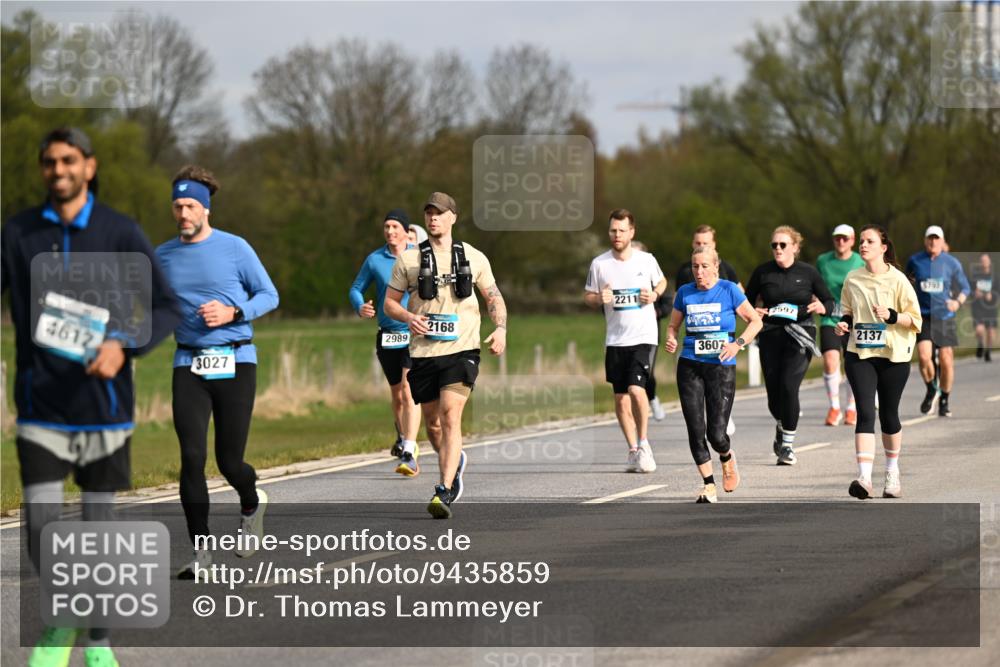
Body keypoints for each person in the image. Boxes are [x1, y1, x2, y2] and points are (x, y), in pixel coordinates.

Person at [1, 127, 181, 667]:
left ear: (89, 166)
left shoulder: (120, 232)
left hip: (104, 410)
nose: (58, 170)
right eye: (49, 162)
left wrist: (124, 345)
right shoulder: (18, 233)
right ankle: (63, 619)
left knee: (98, 533)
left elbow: (165, 308)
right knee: (40, 527)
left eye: (68, 160)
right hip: (40, 409)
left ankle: (97, 642)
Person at [155, 165, 279, 577]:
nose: (182, 213)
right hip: (188, 361)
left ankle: (250, 501)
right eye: (177, 205)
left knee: (229, 462)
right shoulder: (163, 255)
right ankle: (202, 553)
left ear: (205, 209)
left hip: (235, 359)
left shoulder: (235, 248)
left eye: (190, 205)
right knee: (191, 457)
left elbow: (269, 295)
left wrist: (233, 311)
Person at [384, 192, 507, 519]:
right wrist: (409, 318)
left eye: (439, 213)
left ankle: (444, 487)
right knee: (433, 425)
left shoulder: (474, 257)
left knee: (451, 414)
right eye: (428, 213)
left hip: (462, 350)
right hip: (424, 352)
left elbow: (493, 296)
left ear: (453, 217)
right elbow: (389, 303)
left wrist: (501, 328)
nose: (433, 218)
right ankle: (455, 462)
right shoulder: (408, 260)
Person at [665, 247, 762, 503]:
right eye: (695, 267)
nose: (699, 272)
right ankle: (708, 484)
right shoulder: (685, 293)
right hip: (690, 365)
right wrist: (671, 339)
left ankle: (727, 457)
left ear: (716, 267)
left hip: (721, 365)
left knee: (716, 434)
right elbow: (673, 325)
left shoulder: (729, 289)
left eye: (705, 266)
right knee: (695, 429)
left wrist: (737, 344)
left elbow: (755, 321)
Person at [835, 225, 922, 499]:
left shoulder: (898, 280)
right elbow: (848, 311)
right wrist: (843, 324)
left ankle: (892, 473)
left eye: (869, 241)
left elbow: (915, 320)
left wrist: (893, 316)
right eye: (861, 241)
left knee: (888, 415)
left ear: (883, 247)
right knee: (864, 411)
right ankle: (864, 478)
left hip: (893, 355)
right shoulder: (853, 278)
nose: (862, 245)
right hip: (860, 354)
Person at [584, 209, 667, 473]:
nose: (617, 235)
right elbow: (588, 296)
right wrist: (600, 299)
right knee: (620, 399)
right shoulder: (600, 264)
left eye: (621, 230)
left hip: (643, 336)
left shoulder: (646, 260)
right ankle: (633, 450)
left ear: (632, 232)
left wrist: (654, 294)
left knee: (636, 390)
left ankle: (644, 443)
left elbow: (663, 282)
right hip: (615, 339)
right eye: (612, 230)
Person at [746, 226, 834, 465]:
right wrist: (754, 312)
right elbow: (745, 302)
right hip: (771, 334)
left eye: (783, 245)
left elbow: (828, 300)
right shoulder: (763, 272)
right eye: (774, 245)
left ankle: (787, 446)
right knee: (774, 396)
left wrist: (821, 307)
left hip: (801, 334)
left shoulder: (808, 272)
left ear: (795, 247)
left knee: (788, 386)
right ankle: (781, 422)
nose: (777, 249)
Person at [349, 209, 422, 475]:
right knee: (397, 394)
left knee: (408, 387)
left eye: (395, 227)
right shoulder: (374, 259)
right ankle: (403, 438)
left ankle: (409, 449)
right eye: (386, 227)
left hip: (414, 331)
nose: (390, 231)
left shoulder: (419, 255)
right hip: (387, 333)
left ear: (405, 230)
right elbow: (356, 288)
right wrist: (360, 307)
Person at [674, 224, 743, 436]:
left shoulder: (727, 274)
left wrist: (739, 341)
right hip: (692, 349)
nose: (701, 245)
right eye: (698, 243)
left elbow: (743, 301)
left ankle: (721, 416)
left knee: (717, 427)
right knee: (696, 414)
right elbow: (678, 310)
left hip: (720, 354)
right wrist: (672, 335)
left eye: (705, 243)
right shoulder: (685, 273)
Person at [905, 226, 970, 417]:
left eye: (936, 239)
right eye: (930, 238)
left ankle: (944, 399)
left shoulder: (951, 262)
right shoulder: (915, 260)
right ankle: (932, 388)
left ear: (942, 241)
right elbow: (905, 282)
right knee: (924, 357)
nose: (933, 242)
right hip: (923, 316)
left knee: (946, 359)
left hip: (944, 317)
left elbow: (965, 287)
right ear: (925, 240)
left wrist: (957, 302)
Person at [816, 224, 865, 426]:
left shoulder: (860, 261)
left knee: (852, 364)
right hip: (830, 317)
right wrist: (816, 300)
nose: (841, 242)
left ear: (852, 240)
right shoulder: (823, 261)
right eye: (837, 238)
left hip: (855, 318)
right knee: (830, 360)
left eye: (845, 238)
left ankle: (852, 408)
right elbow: (816, 284)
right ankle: (834, 406)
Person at [632, 240, 666, 421]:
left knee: (647, 373)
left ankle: (652, 399)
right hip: (624, 336)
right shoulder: (622, 279)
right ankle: (636, 411)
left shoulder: (653, 277)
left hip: (649, 335)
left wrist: (657, 310)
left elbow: (667, 302)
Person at [970, 252, 997, 363]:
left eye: (986, 261)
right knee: (979, 330)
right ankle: (981, 344)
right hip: (978, 307)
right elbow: (968, 290)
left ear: (989, 262)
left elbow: (997, 293)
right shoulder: (975, 276)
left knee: (990, 331)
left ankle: (988, 351)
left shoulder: (995, 277)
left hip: (990, 308)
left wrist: (992, 296)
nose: (984, 263)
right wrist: (974, 293)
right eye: (982, 261)